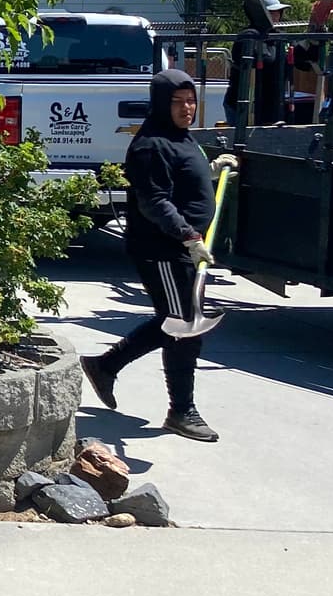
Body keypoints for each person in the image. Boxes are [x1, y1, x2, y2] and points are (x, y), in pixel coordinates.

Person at [82, 69, 233, 443]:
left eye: (191, 100)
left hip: (181, 247)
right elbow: (154, 201)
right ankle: (181, 411)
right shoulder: (150, 145)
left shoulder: (181, 138)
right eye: (178, 101)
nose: (187, 107)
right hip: (163, 249)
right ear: (162, 103)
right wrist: (187, 236)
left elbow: (181, 179)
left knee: (177, 321)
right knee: (184, 327)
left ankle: (105, 365)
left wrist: (210, 172)